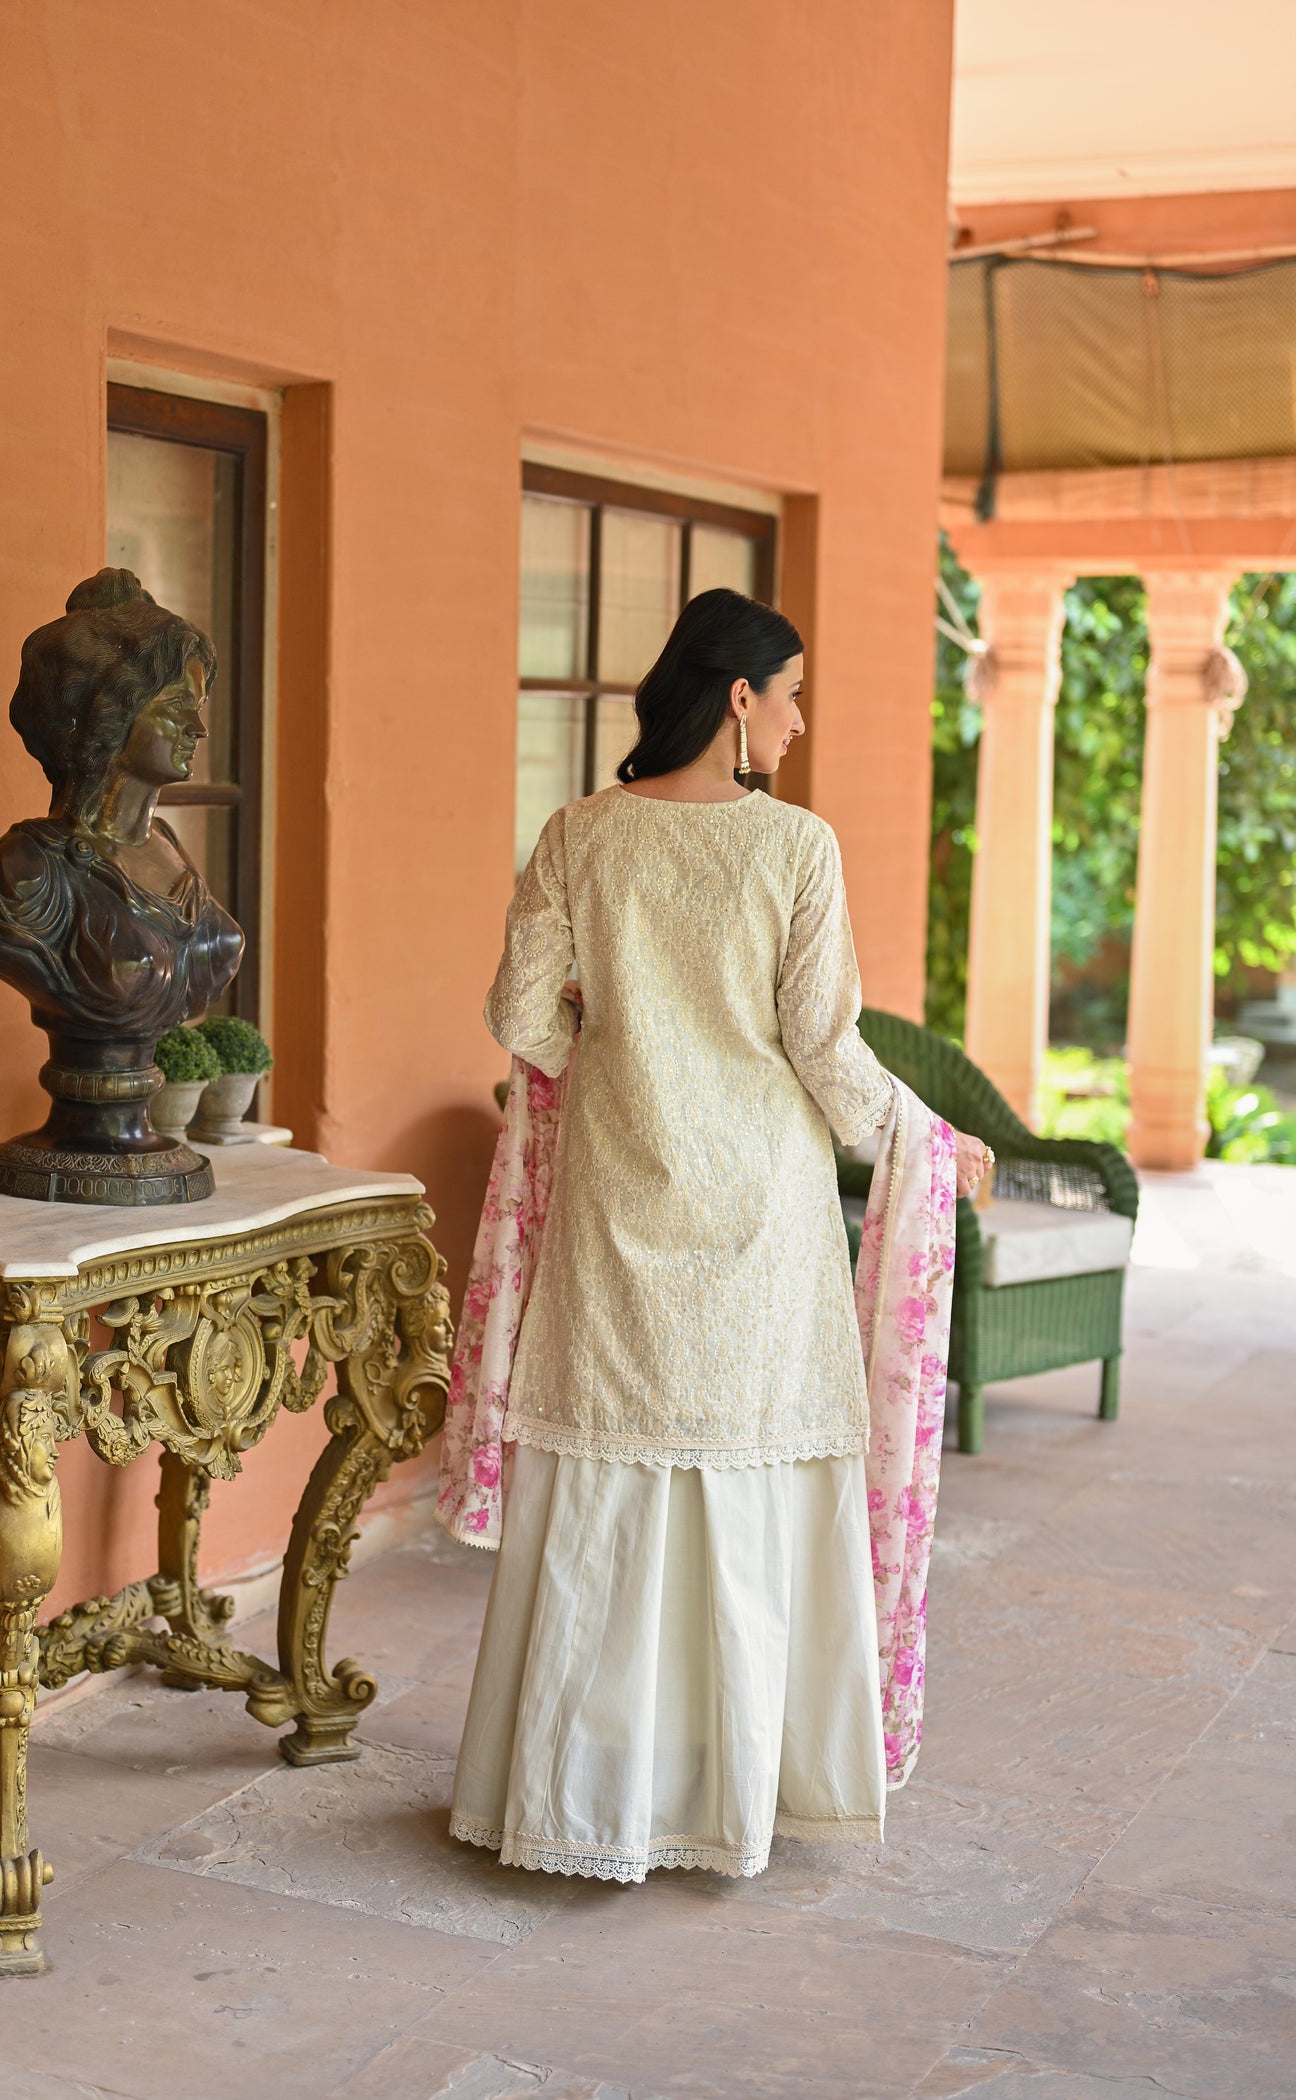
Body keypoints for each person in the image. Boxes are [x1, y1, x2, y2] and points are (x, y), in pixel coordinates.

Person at [447, 589, 988, 1882]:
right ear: (739, 697)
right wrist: (924, 1139)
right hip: (757, 1222)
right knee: (746, 1496)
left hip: (619, 1205)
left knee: (610, 1495)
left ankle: (580, 1803)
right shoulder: (795, 847)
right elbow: (823, 1043)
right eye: (791, 693)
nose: (800, 722)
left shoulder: (580, 833)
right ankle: (732, 1794)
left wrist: (625, 1059)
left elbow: (521, 1015)